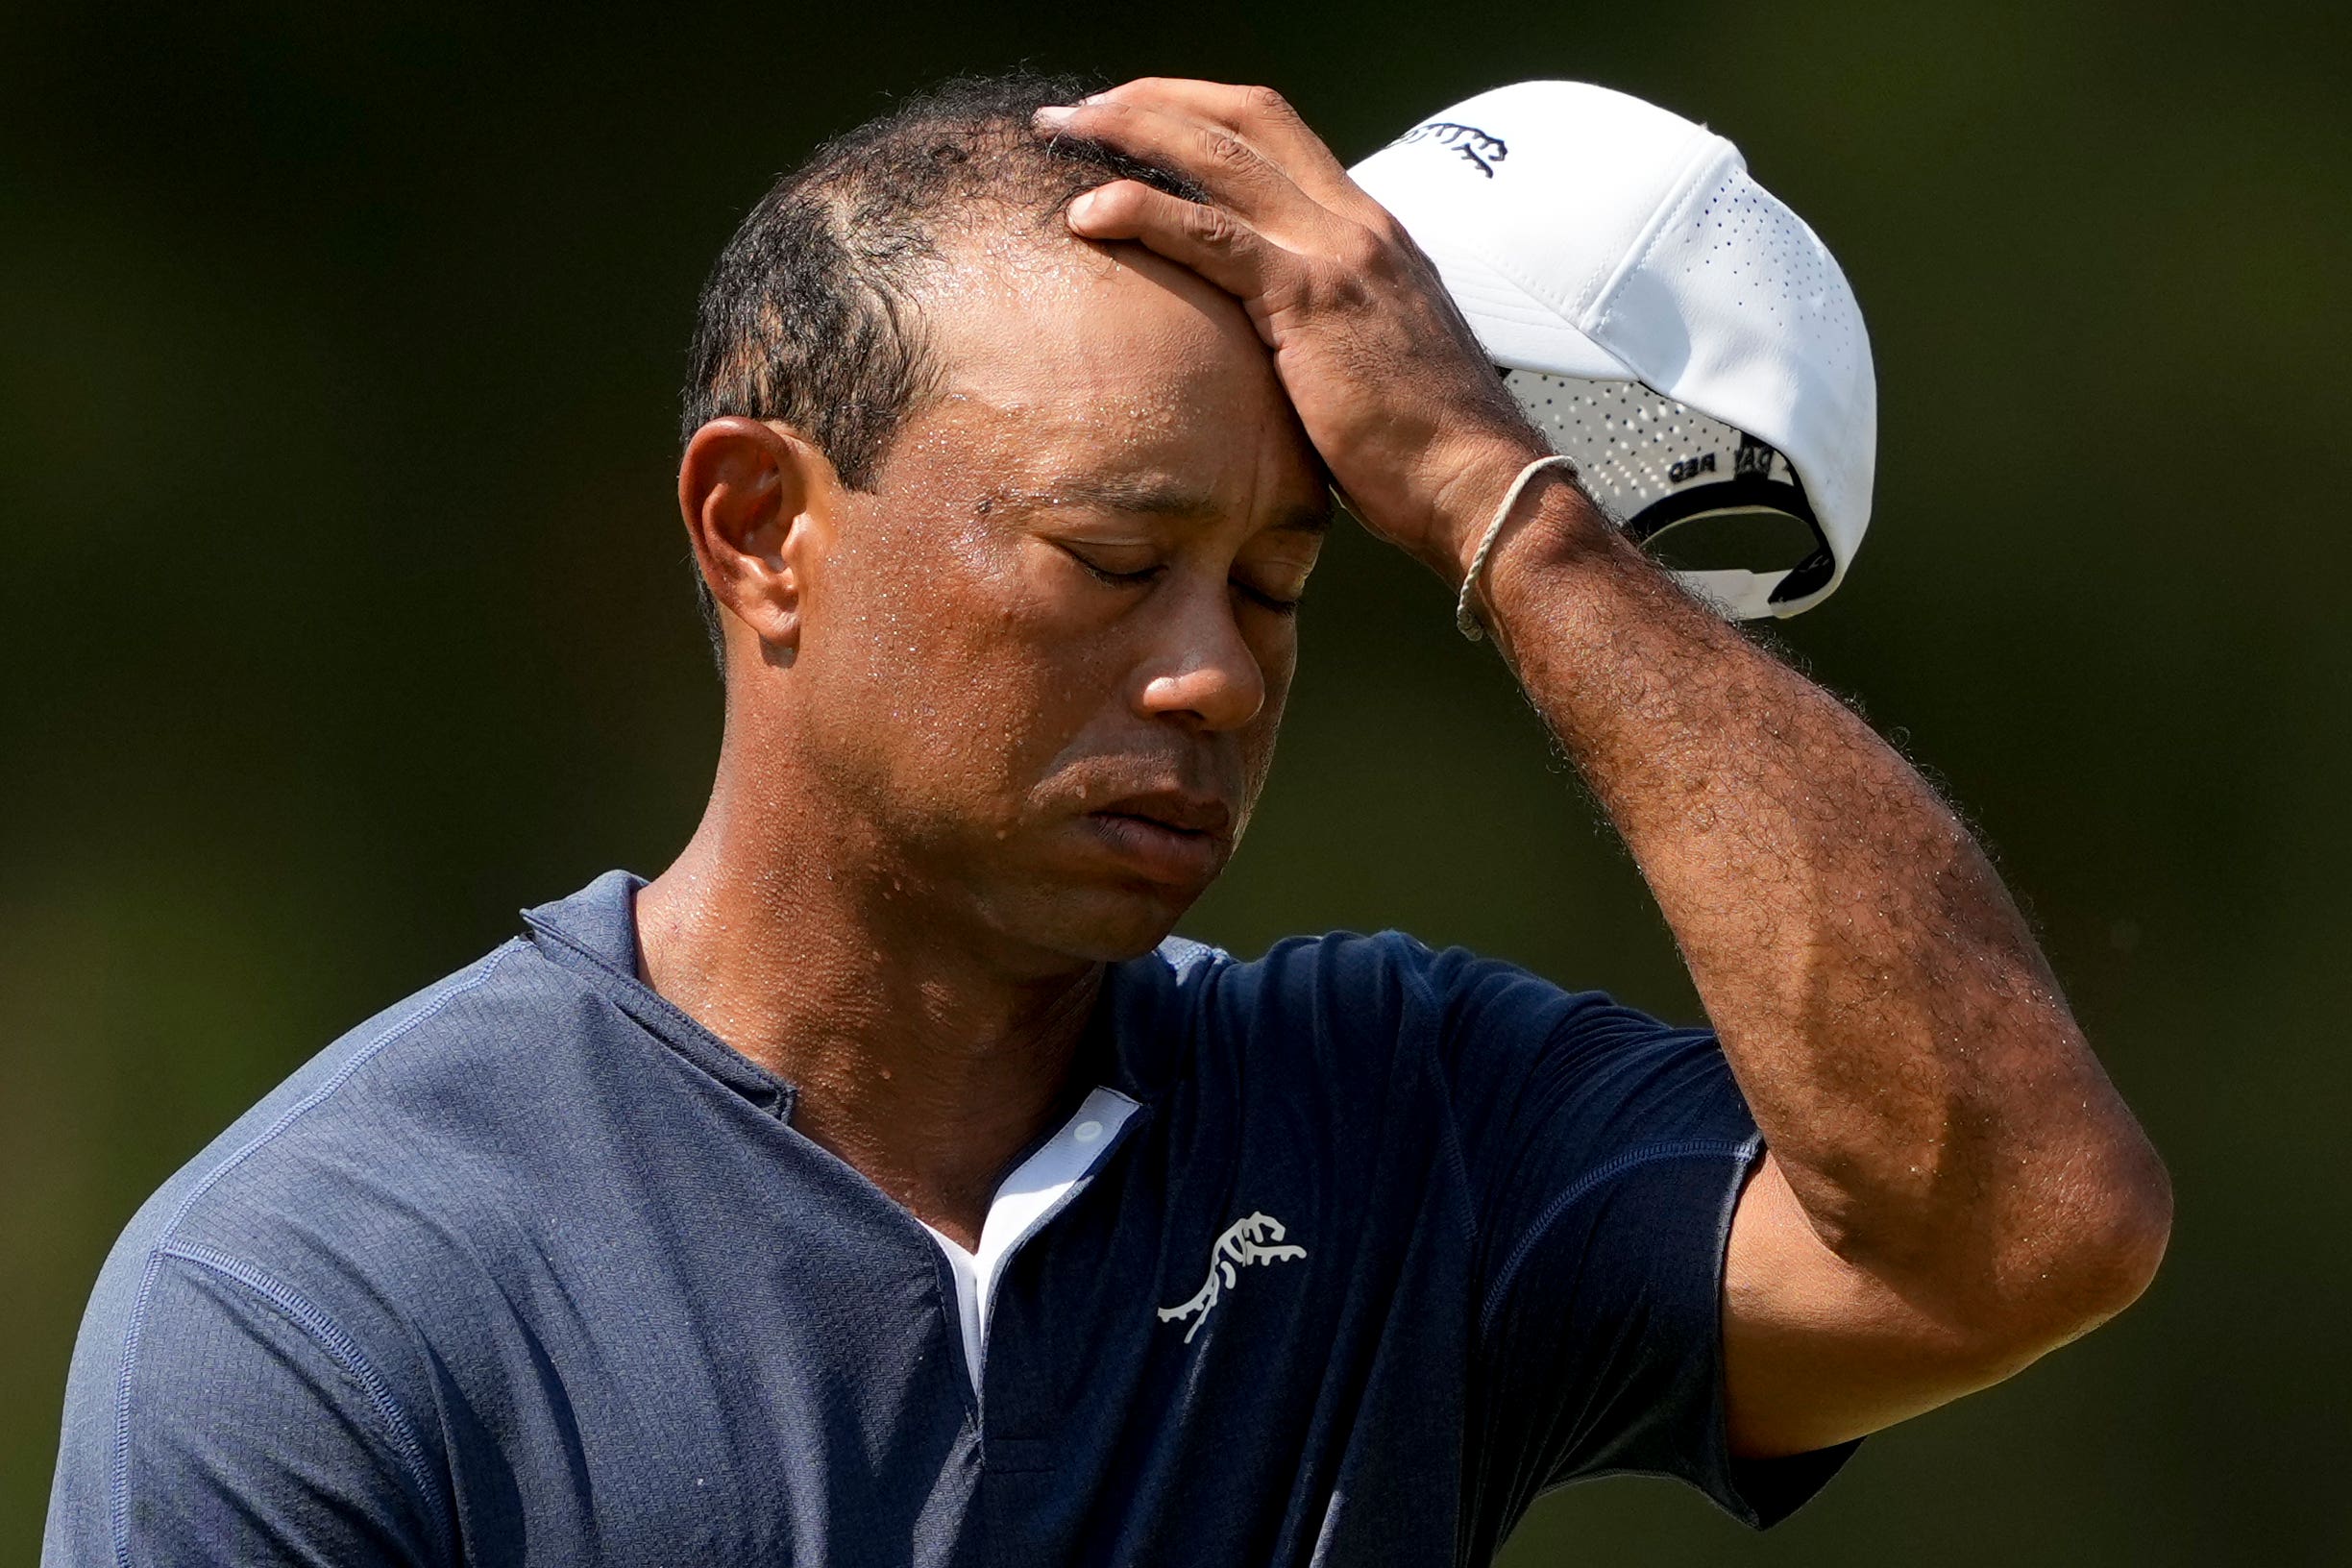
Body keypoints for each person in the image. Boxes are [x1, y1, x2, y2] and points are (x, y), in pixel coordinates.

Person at [44, 73, 2170, 1566]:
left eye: (1278, 589)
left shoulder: (1395, 1123)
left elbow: (2026, 1229)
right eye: (1103, 555)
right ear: (763, 528)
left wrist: (1513, 523)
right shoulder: (328, 1289)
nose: (1216, 674)